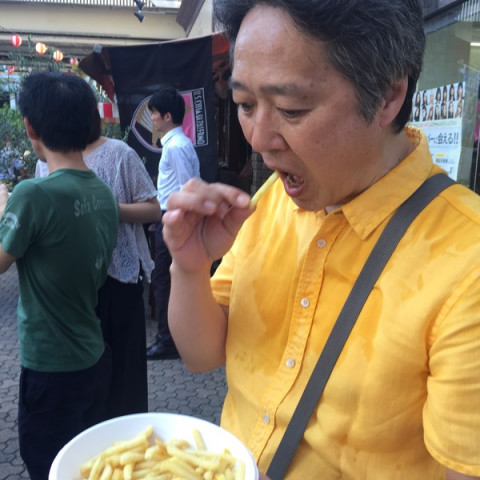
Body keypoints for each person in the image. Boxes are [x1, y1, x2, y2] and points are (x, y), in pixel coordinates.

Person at [161, 1, 480, 479]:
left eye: (291, 110)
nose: (259, 139)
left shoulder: (467, 263)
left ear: (387, 96)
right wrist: (189, 267)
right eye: (245, 105)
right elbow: (202, 354)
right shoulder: (271, 200)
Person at [0, 72, 119, 480]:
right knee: (87, 467)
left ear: (30, 128)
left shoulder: (32, 194)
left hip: (50, 367)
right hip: (94, 357)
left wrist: (3, 208)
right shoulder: (103, 194)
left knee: (48, 467)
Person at [83, 111, 162, 417]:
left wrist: (109, 208)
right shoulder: (46, 160)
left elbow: (153, 209)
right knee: (89, 378)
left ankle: (131, 433)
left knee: (126, 374)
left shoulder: (119, 153)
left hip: (119, 277)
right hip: (75, 286)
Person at [146, 84, 200, 360]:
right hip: (171, 218)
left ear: (168, 116)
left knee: (164, 280)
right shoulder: (178, 144)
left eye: (155, 113)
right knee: (167, 279)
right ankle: (173, 338)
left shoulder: (176, 147)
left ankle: (168, 341)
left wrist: (177, 225)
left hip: (174, 219)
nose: (153, 118)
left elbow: (186, 188)